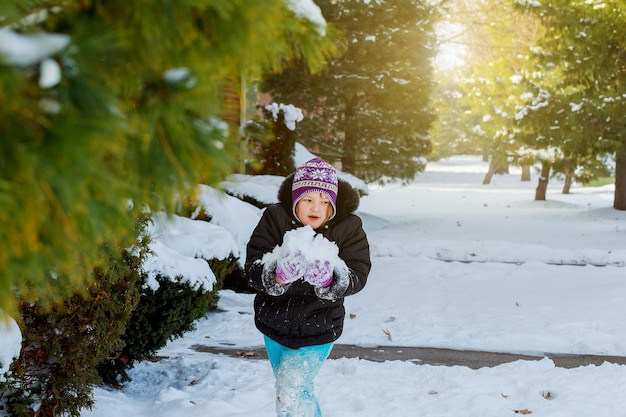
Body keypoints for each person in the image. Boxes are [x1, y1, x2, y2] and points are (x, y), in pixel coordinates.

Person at [245, 157, 371, 417]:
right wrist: (277, 274)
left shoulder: (348, 227)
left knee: (290, 389)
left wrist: (331, 279)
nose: (317, 208)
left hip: (320, 326)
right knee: (295, 390)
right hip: (274, 324)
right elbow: (252, 267)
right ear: (295, 200)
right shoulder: (275, 218)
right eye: (309, 199)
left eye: (325, 201)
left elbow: (359, 273)